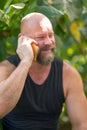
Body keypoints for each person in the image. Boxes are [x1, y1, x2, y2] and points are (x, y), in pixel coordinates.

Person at [0, 12, 87, 130]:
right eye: (41, 37)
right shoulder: (6, 69)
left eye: (50, 35)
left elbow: (82, 124)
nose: (48, 42)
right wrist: (26, 62)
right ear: (23, 40)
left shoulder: (67, 74)